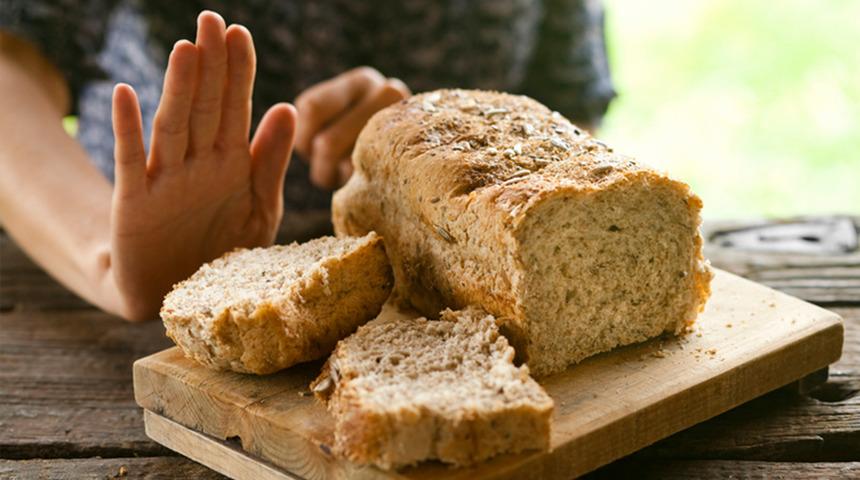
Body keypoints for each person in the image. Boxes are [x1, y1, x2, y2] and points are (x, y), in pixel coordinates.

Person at [0, 1, 614, 321]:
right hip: (114, 283)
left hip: (433, 300)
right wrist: (104, 255)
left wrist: (418, 162)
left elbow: (565, 120)